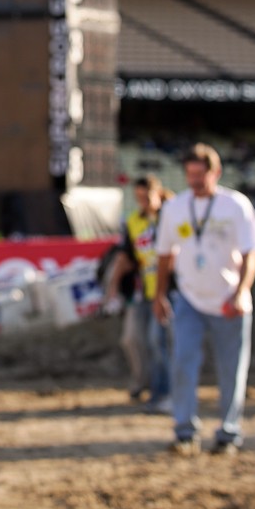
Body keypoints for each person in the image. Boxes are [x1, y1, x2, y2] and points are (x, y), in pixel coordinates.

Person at [154, 143, 255, 456]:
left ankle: (229, 433)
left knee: (232, 369)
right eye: (189, 174)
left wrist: (241, 291)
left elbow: (250, 254)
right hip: (189, 299)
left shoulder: (236, 205)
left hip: (229, 301)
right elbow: (164, 255)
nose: (194, 181)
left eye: (200, 175)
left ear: (215, 173)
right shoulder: (175, 207)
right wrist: (159, 295)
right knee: (182, 363)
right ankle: (184, 432)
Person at [105, 175, 173, 411]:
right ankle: (145, 383)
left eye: (146, 197)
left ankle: (163, 393)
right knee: (133, 339)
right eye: (138, 198)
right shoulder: (134, 221)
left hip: (169, 290)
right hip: (144, 291)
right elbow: (125, 257)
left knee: (158, 341)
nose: (142, 202)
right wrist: (113, 288)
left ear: (158, 193)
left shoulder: (171, 216)